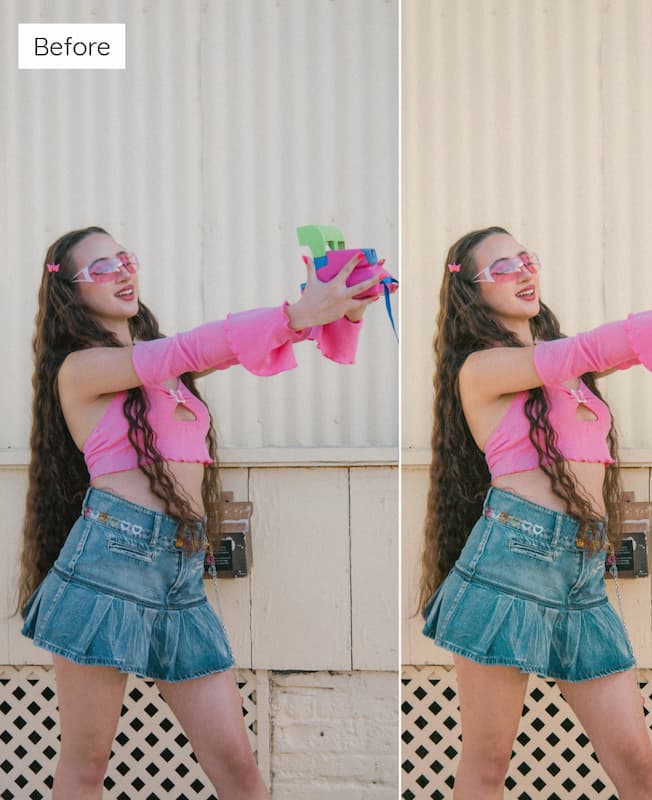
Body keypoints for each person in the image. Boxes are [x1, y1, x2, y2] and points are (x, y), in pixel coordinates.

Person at [18, 225, 381, 800]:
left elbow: (237, 347)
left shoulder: (167, 375)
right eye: (102, 267)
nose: (123, 272)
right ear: (68, 290)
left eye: (126, 259)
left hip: (180, 572)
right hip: (108, 568)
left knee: (237, 767)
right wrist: (294, 311)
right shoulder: (81, 369)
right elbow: (192, 347)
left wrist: (341, 304)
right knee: (87, 764)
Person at [418, 226, 652, 800]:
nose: (524, 271)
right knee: (488, 763)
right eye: (504, 266)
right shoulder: (481, 369)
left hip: (581, 573)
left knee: (639, 769)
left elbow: (635, 347)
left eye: (528, 259)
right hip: (509, 567)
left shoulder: (566, 376)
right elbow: (591, 347)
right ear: (469, 290)